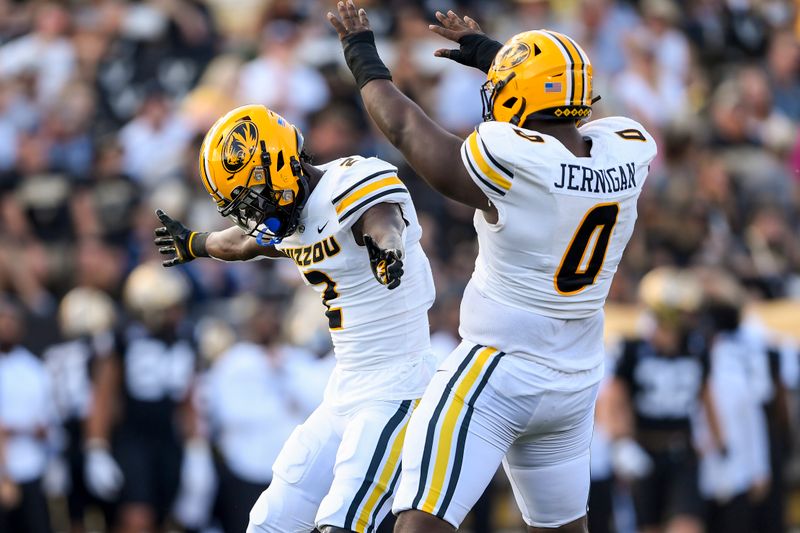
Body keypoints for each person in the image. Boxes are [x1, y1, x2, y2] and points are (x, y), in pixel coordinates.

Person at [327, 3, 657, 532]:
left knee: (420, 522)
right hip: (575, 381)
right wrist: (491, 55)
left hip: (498, 371)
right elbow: (559, 117)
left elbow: (410, 130)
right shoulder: (625, 152)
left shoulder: (514, 161)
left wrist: (361, 52)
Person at [154, 103, 436, 533]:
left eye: (254, 198)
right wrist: (195, 242)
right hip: (344, 388)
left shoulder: (351, 180)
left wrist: (388, 248)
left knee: (342, 522)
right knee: (271, 521)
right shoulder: (291, 216)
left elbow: (381, 218)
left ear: (283, 163)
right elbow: (244, 242)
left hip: (398, 385)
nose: (253, 212)